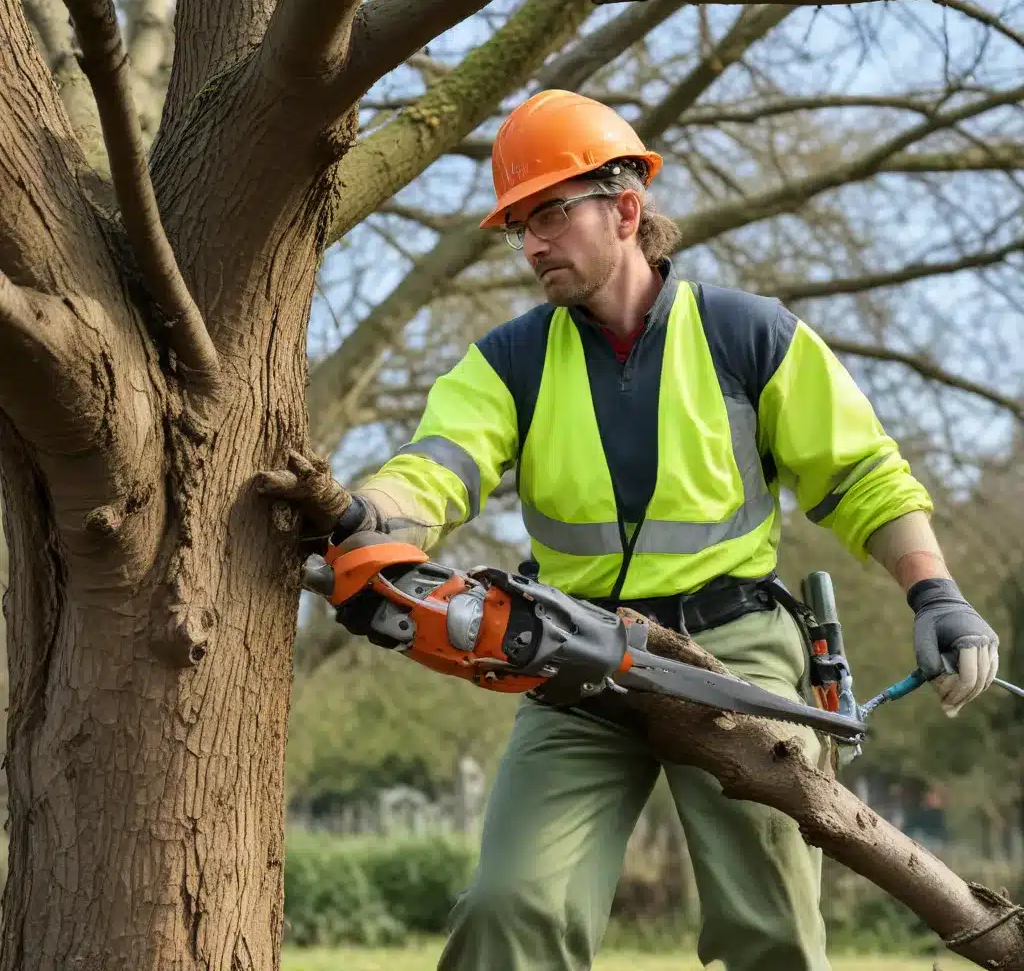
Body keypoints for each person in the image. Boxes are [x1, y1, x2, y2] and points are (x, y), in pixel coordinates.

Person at [267, 90, 1000, 970]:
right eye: (517, 226)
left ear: (625, 207)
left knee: (771, 926)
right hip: (574, 653)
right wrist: (361, 516)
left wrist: (938, 595)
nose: (530, 243)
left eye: (547, 215)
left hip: (738, 660)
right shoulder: (511, 362)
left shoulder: (748, 335)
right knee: (511, 908)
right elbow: (441, 464)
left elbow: (860, 475)